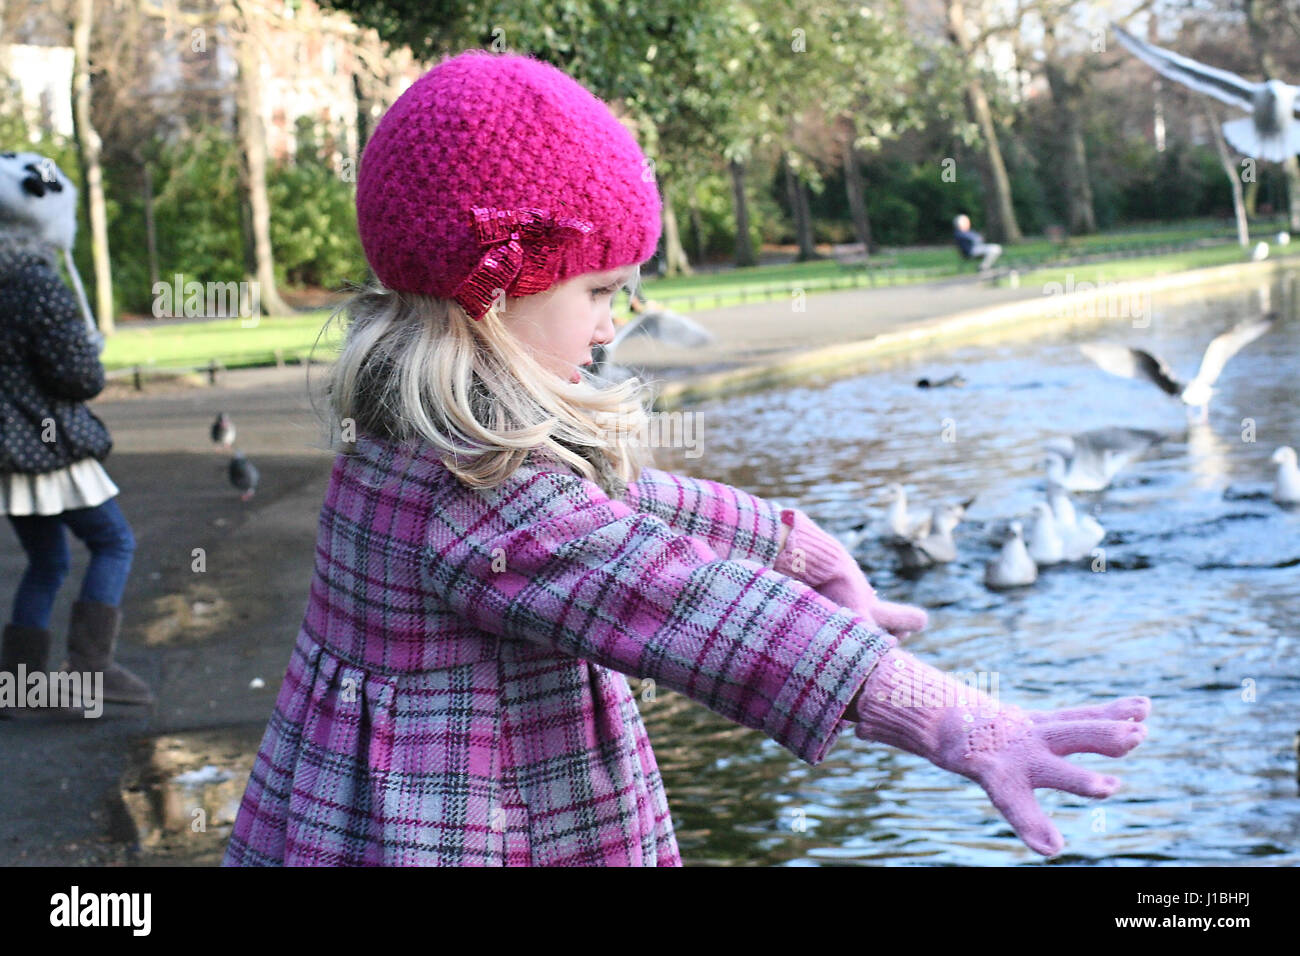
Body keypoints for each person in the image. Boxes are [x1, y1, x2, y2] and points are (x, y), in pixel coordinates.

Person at [222, 51, 1149, 866]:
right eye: (598, 290)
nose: (613, 322)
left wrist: (804, 546)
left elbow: (633, 509)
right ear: (496, 290)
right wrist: (960, 721)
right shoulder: (486, 501)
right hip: (493, 825)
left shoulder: (417, 439)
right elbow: (699, 605)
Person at [0, 152, 152, 717]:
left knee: (47, 562)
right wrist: (90, 356)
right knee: (113, 542)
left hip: (7, 455)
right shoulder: (38, 283)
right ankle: (90, 668)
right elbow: (79, 378)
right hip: (49, 447)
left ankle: (17, 684)